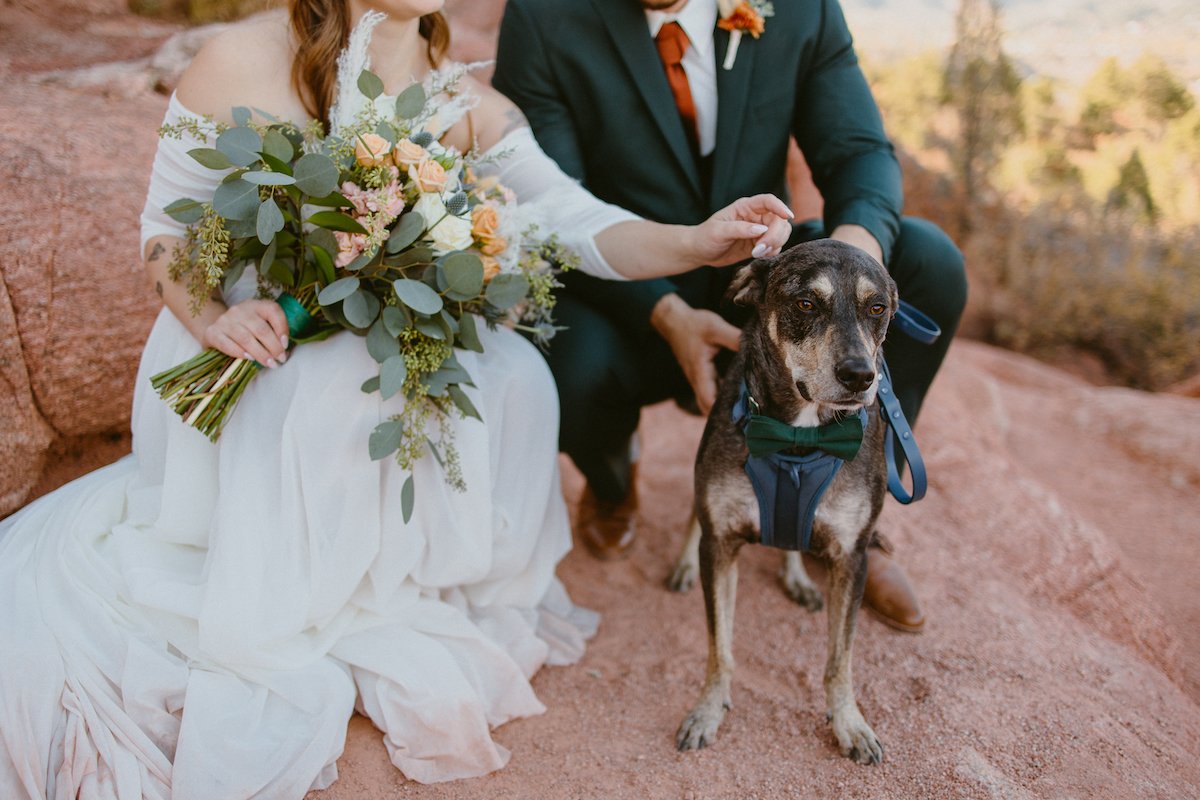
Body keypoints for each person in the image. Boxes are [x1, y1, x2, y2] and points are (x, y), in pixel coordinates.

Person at [0, 2, 796, 796]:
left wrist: (693, 238)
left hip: (378, 336)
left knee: (515, 374)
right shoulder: (238, 59)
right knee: (323, 386)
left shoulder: (473, 107)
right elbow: (165, 234)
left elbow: (575, 223)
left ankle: (378, 576)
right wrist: (216, 316)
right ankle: (284, 573)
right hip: (249, 338)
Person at [493, 0, 969, 631]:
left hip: (779, 290)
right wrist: (665, 312)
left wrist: (848, 278)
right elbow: (556, 209)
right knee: (553, 344)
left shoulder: (799, 8)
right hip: (634, 289)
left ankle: (853, 511)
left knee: (930, 261)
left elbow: (857, 150)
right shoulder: (543, 16)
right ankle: (611, 480)